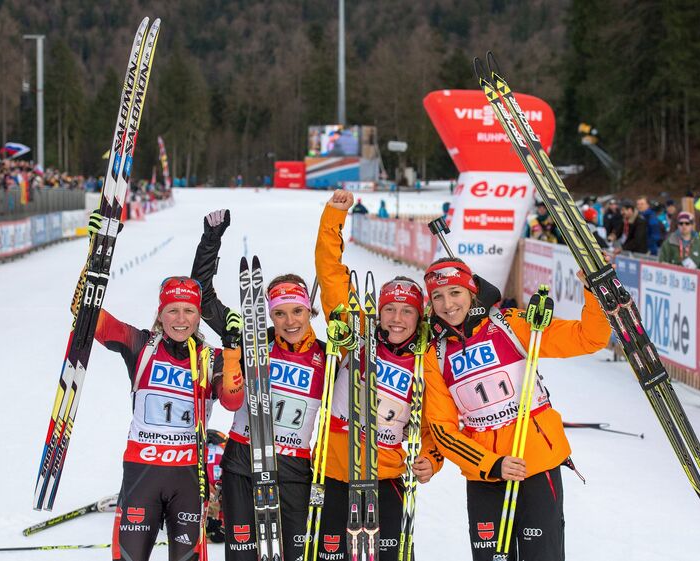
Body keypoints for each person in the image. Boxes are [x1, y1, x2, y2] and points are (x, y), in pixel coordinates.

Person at [421, 258, 611, 561]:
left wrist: (593, 291)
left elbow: (589, 338)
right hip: (485, 477)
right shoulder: (436, 353)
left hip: (534, 464)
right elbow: (443, 430)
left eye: (455, 292)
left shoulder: (512, 324)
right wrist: (492, 464)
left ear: (472, 292)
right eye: (438, 296)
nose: (447, 304)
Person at [190, 209, 330, 561]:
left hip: (294, 467)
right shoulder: (253, 339)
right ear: (268, 314)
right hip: (242, 463)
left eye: (296, 311)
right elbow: (202, 299)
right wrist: (211, 240)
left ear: (308, 311)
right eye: (279, 313)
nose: (289, 321)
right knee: (243, 555)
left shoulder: (328, 357)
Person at [314, 189, 444, 561]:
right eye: (390, 310)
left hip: (387, 477)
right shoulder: (355, 337)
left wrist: (431, 460)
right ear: (379, 312)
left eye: (406, 311)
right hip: (336, 471)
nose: (397, 319)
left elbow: (435, 425)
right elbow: (331, 275)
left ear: (419, 317)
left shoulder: (427, 361)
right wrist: (333, 218)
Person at [73, 268, 238, 561]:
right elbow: (89, 318)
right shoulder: (142, 346)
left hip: (188, 478)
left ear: (199, 316)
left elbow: (232, 400)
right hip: (141, 474)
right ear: (160, 313)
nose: (180, 319)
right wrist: (94, 261)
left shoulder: (211, 358)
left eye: (189, 311)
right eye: (172, 310)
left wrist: (233, 352)